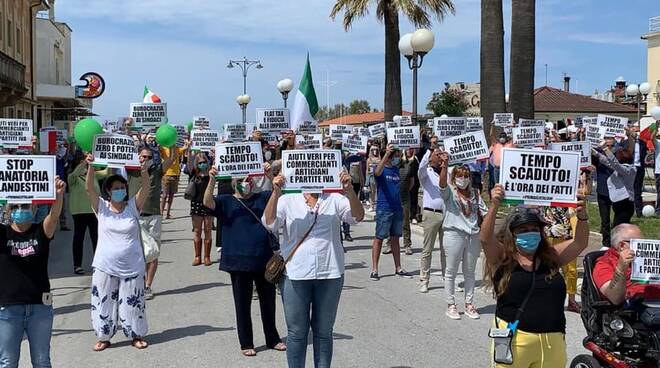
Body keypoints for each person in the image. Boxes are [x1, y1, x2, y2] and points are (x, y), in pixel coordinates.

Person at [263, 170, 364, 368]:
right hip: (295, 274)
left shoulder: (334, 198)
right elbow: (269, 223)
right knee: (297, 333)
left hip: (330, 273)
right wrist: (275, 192)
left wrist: (350, 190)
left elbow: (357, 217)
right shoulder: (288, 199)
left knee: (324, 332)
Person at [480, 184, 590, 368]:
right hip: (516, 340)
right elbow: (485, 238)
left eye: (534, 229)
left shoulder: (551, 257)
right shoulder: (503, 259)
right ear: (511, 235)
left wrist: (582, 214)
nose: (530, 233)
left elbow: (580, 242)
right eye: (522, 230)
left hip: (552, 341)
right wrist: (494, 205)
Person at [203, 166, 286, 357]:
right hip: (238, 262)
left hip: (263, 259)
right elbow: (207, 202)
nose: (245, 184)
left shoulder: (262, 197)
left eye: (248, 180)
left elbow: (277, 195)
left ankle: (272, 338)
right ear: (233, 183)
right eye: (241, 180)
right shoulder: (226, 201)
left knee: (268, 303)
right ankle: (246, 342)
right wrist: (212, 180)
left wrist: (270, 176)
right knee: (242, 304)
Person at [85, 153, 151, 351]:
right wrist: (90, 167)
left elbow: (146, 188)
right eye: (116, 189)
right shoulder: (102, 207)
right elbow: (89, 189)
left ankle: (135, 335)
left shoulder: (133, 206)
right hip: (105, 265)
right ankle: (104, 336)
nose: (120, 191)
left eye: (122, 188)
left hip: (132, 265)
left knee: (133, 303)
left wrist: (144, 171)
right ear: (108, 191)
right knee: (103, 303)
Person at [0, 177, 65, 367]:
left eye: (26, 206)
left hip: (40, 307)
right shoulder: (2, 234)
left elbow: (53, 217)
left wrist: (58, 195)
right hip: (9, 308)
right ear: (9, 211)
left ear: (33, 209)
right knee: (7, 362)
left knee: (42, 360)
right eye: (16, 206)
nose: (21, 210)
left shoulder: (40, 231)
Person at [438, 152, 487, 319]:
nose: (463, 178)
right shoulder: (450, 192)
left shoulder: (475, 193)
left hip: (473, 235)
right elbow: (442, 184)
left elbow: (485, 213)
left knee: (470, 272)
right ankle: (451, 304)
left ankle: (469, 303)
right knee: (451, 271)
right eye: (459, 175)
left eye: (466, 175)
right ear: (454, 177)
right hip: (454, 233)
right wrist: (444, 166)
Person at [128, 146, 179, 299]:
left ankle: (148, 286)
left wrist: (172, 146)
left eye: (149, 157)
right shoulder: (130, 171)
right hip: (136, 216)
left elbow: (171, 160)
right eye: (143, 156)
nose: (146, 160)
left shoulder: (157, 170)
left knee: (153, 253)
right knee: (136, 254)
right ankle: (139, 283)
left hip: (153, 216)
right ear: (138, 156)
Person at [370, 144, 413, 281]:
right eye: (394, 156)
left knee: (395, 238)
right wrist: (386, 154)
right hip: (384, 209)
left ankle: (398, 267)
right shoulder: (381, 170)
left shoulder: (396, 170)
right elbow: (376, 172)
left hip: (397, 208)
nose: (396, 158)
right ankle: (375, 269)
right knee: (379, 238)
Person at [593, 223, 660, 304]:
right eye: (639, 243)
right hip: (638, 306)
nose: (644, 246)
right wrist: (621, 268)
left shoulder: (648, 258)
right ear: (622, 245)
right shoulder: (604, 264)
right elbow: (615, 298)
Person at [68, 152, 107, 275]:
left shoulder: (93, 175)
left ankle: (98, 263)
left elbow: (107, 172)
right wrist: (86, 161)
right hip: (79, 211)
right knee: (79, 238)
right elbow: (75, 173)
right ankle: (77, 265)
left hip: (94, 211)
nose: (84, 164)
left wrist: (111, 159)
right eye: (82, 162)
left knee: (96, 238)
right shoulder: (72, 177)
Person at [417, 146, 446, 293]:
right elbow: (421, 167)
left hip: (446, 214)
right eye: (437, 154)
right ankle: (424, 279)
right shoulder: (426, 173)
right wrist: (429, 150)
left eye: (441, 153)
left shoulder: (447, 172)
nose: (439, 156)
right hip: (431, 213)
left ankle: (447, 278)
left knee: (446, 249)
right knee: (427, 249)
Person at [592, 144, 635, 230]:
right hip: (619, 203)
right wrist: (595, 153)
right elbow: (607, 162)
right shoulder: (620, 168)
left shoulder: (630, 169)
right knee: (617, 229)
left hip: (626, 204)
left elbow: (615, 164)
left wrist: (605, 148)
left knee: (619, 229)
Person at [187, 152, 214, 266]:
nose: (202, 164)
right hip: (196, 204)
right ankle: (197, 256)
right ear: (196, 164)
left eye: (204, 162)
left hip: (208, 204)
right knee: (197, 230)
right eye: (200, 163)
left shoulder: (211, 174)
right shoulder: (193, 174)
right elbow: (188, 163)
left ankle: (207, 257)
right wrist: (189, 151)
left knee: (208, 230)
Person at [160, 145, 186, 219]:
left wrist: (188, 144)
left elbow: (185, 148)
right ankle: (161, 213)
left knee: (171, 195)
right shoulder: (164, 149)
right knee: (164, 195)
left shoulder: (177, 149)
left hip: (175, 175)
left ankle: (168, 213)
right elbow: (159, 149)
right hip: (166, 175)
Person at [630, 122, 648, 217]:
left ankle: (639, 211)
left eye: (636, 129)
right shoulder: (626, 143)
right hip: (629, 168)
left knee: (637, 190)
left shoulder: (642, 142)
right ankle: (628, 210)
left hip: (639, 168)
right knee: (629, 189)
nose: (634, 130)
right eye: (633, 128)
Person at [365, 145, 382, 211]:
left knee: (379, 192)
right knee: (372, 192)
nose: (375, 151)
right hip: (371, 177)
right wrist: (366, 181)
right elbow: (367, 170)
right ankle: (372, 206)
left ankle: (378, 205)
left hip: (379, 177)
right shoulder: (368, 159)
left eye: (376, 149)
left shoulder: (380, 159)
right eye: (373, 150)